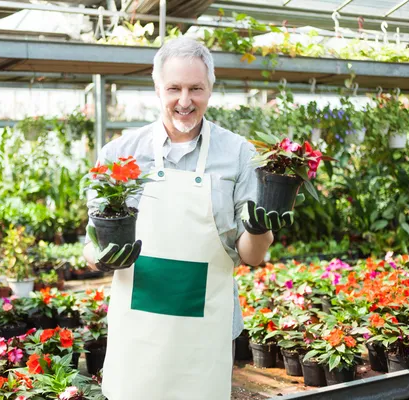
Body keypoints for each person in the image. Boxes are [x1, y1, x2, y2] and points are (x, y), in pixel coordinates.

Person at [83, 37, 296, 400]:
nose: (185, 101)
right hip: (140, 325)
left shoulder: (239, 154)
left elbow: (252, 255)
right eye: (174, 88)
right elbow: (91, 243)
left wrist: (259, 229)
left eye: (196, 88)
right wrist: (101, 257)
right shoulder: (119, 154)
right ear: (157, 89)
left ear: (210, 89)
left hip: (207, 323)